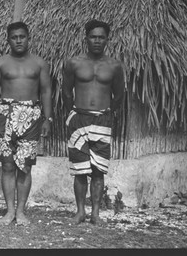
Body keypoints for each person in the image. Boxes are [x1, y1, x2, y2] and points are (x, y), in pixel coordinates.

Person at [0, 21, 52, 226]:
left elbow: (47, 92)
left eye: (22, 36)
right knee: (7, 165)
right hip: (5, 113)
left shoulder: (39, 63)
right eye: (14, 37)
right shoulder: (0, 63)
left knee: (25, 167)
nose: (18, 40)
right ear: (8, 40)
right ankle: (10, 211)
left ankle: (21, 212)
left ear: (28, 37)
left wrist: (47, 118)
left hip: (31, 115)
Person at [62, 19, 124, 225]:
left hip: (102, 120)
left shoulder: (114, 66)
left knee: (98, 170)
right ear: (86, 38)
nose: (97, 41)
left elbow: (119, 96)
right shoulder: (74, 63)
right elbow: (66, 91)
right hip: (78, 119)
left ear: (107, 40)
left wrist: (107, 114)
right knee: (80, 169)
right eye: (93, 37)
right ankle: (80, 212)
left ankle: (95, 213)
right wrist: (73, 113)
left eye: (101, 37)